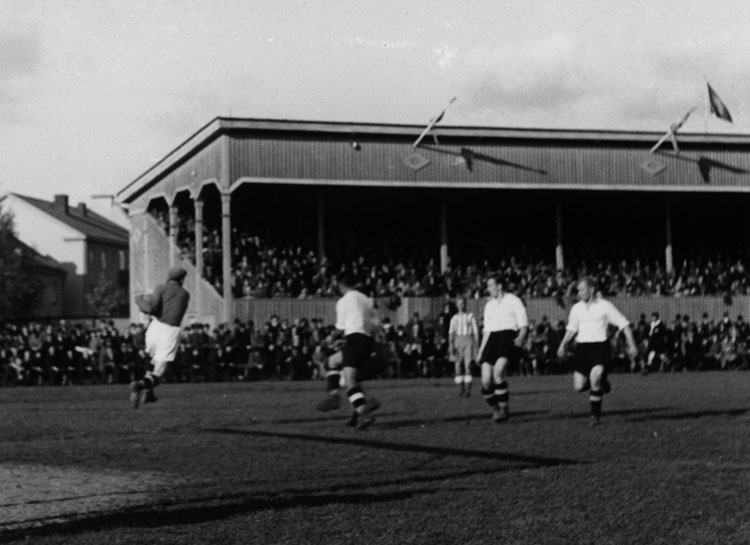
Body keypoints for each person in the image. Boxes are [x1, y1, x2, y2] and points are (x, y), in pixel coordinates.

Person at [556, 277, 638, 427]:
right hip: (582, 349)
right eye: (578, 290)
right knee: (579, 386)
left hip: (600, 347)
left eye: (582, 290)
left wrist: (632, 345)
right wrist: (562, 345)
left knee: (595, 377)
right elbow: (571, 329)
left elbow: (624, 324)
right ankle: (601, 381)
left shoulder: (605, 306)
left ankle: (595, 416)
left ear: (592, 289)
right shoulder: (577, 308)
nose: (579, 293)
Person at [315, 272, 381, 429]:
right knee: (332, 362)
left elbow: (340, 327)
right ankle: (337, 397)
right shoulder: (367, 299)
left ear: (341, 285)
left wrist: (330, 338)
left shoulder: (343, 301)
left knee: (349, 381)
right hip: (368, 341)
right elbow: (376, 324)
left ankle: (364, 411)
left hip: (354, 340)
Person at [130, 266, 190, 409]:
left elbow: (152, 308)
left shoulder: (160, 288)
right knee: (159, 371)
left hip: (154, 327)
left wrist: (139, 300)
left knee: (153, 359)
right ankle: (139, 385)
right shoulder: (185, 294)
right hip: (170, 331)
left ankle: (149, 392)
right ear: (182, 279)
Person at [477, 275, 528, 422]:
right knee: (486, 381)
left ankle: (504, 409)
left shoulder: (514, 300)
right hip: (492, 340)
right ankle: (496, 409)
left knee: (498, 373)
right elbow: (487, 330)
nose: (488, 289)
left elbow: (523, 324)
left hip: (508, 337)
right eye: (487, 286)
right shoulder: (489, 305)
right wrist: (481, 351)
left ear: (499, 286)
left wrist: (521, 337)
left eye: (490, 285)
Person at [448, 296, 479, 397]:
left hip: (468, 341)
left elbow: (475, 332)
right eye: (459, 304)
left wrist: (477, 345)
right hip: (457, 341)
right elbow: (451, 332)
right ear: (457, 305)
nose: (461, 306)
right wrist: (450, 345)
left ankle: (467, 390)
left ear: (465, 304)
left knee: (467, 365)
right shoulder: (454, 318)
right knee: (457, 366)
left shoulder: (470, 316)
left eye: (462, 303)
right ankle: (461, 390)